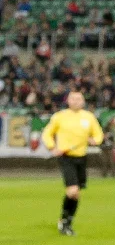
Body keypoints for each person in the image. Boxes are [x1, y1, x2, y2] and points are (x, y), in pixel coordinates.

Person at [41, 91, 104, 236]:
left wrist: (95, 140)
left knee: (76, 194)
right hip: (66, 157)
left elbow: (98, 134)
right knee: (73, 190)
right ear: (68, 101)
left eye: (79, 99)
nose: (76, 101)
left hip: (81, 158)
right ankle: (65, 223)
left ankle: (65, 220)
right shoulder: (59, 116)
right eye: (73, 99)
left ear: (83, 101)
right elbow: (47, 133)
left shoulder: (89, 117)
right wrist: (52, 147)